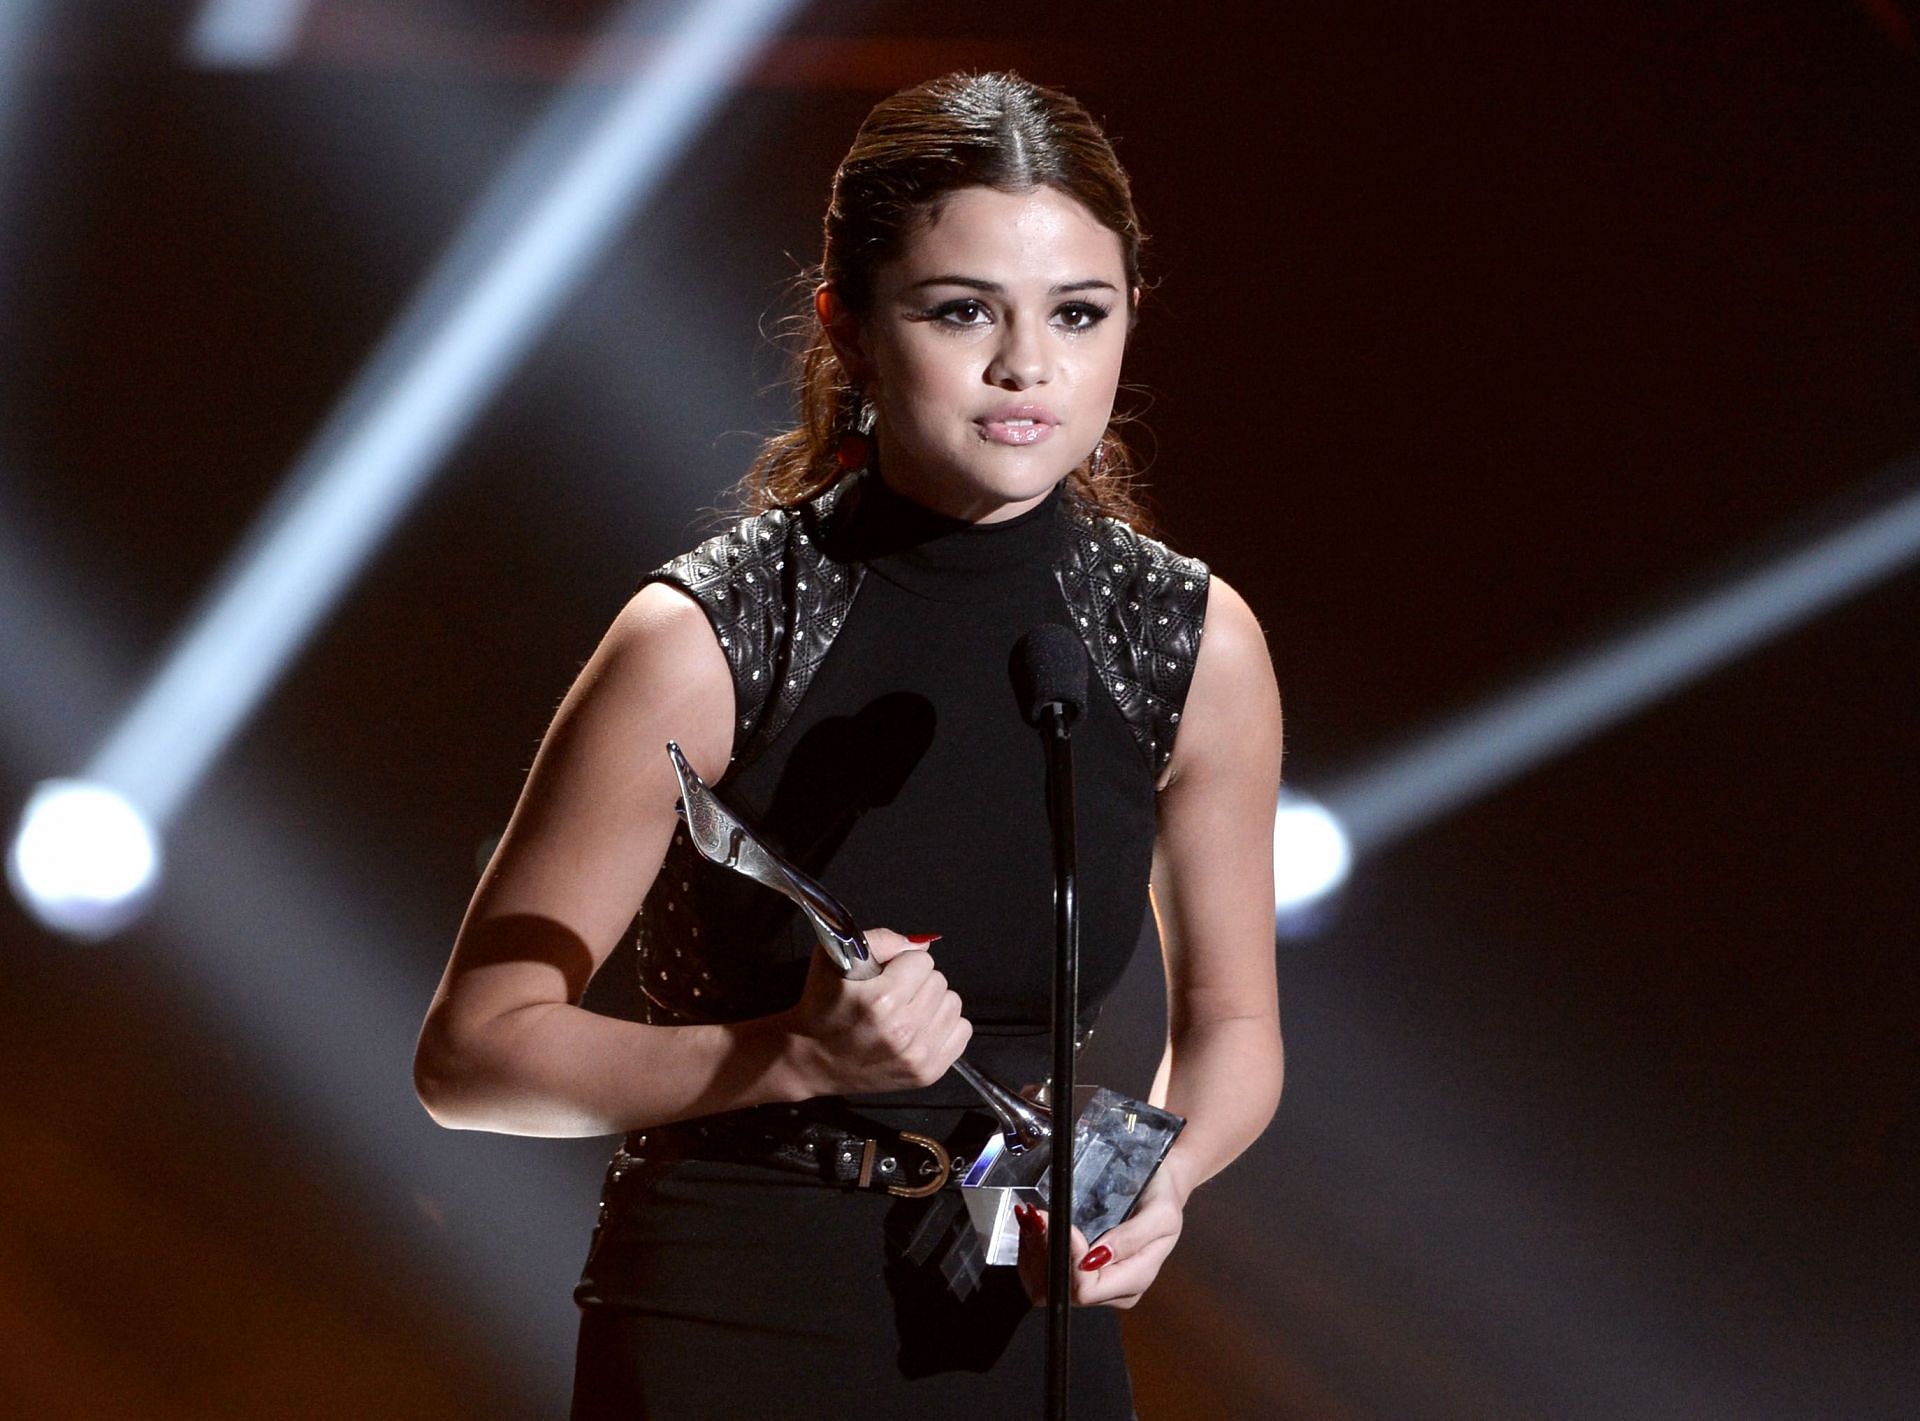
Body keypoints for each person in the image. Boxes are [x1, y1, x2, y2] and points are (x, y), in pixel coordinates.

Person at [413, 70, 1284, 1420]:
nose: (1027, 367)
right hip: (728, 1301)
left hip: (1017, 1320)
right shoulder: (707, 633)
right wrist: (799, 1055)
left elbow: (1234, 1024)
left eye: (1077, 314)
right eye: (959, 311)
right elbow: (473, 1052)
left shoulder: (1191, 640)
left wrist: (1148, 1177)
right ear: (851, 330)